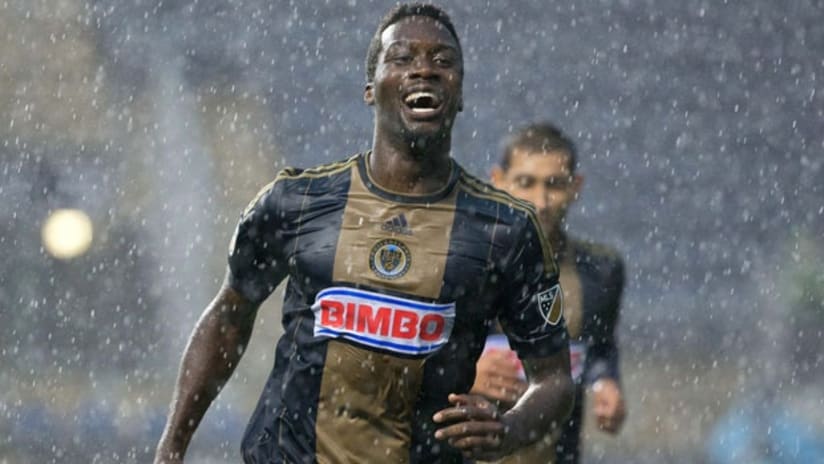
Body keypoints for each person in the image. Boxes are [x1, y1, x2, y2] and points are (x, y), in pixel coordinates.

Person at [154, 5, 574, 463]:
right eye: (402, 57)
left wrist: (510, 428)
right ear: (370, 90)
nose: (424, 70)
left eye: (443, 60)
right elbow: (229, 316)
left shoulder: (504, 230)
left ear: (460, 93)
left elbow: (553, 378)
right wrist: (172, 446)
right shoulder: (297, 201)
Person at [471, 123, 626, 463]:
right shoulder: (463, 265)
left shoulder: (600, 271)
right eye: (526, 183)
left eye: (553, 185)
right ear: (498, 180)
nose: (540, 202)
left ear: (575, 187)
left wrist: (606, 383)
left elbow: (598, 348)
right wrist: (465, 372)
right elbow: (415, 353)